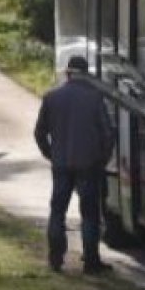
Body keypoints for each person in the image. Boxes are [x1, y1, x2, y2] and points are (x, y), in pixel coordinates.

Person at [34, 55, 115, 274]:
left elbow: (40, 132)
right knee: (89, 214)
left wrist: (51, 154)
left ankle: (56, 258)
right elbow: (108, 134)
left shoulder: (51, 97)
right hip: (89, 164)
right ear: (86, 74)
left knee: (57, 211)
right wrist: (102, 159)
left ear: (67, 73)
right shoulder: (95, 98)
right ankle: (91, 261)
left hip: (61, 164)